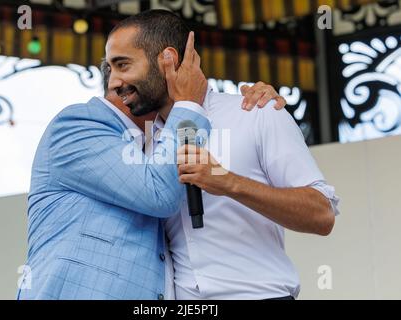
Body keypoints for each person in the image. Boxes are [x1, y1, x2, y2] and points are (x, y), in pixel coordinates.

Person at [18, 22, 283, 299]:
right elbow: (160, 194)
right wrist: (188, 104)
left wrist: (259, 101)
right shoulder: (76, 125)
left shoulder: (157, 143)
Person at [105, 9, 339, 300]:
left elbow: (321, 214)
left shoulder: (256, 113)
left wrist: (229, 183)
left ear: (168, 59)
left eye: (123, 65)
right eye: (109, 69)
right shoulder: (138, 141)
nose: (113, 81)